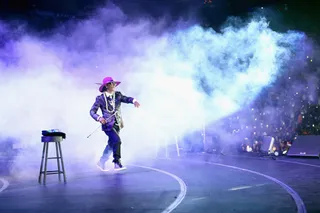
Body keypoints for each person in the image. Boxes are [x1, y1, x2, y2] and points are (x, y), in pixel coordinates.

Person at [90, 77, 140, 171]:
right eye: (111, 83)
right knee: (117, 141)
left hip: (118, 124)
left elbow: (126, 98)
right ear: (107, 86)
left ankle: (101, 162)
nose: (114, 85)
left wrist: (134, 101)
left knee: (111, 144)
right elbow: (92, 111)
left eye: (114, 83)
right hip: (107, 125)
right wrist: (99, 118)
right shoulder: (100, 98)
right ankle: (117, 162)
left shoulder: (117, 95)